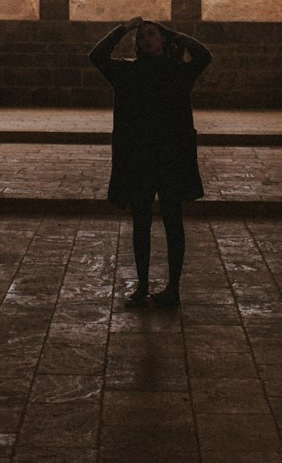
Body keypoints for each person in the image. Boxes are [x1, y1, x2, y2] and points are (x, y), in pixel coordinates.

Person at [88, 16, 212, 308]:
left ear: (163, 41)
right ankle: (142, 284)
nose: (146, 40)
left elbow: (205, 56)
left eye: (152, 35)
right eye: (141, 37)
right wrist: (123, 28)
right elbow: (96, 56)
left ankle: (173, 287)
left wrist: (173, 32)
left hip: (169, 157)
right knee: (141, 223)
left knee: (173, 222)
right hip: (139, 158)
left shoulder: (178, 72)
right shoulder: (127, 72)